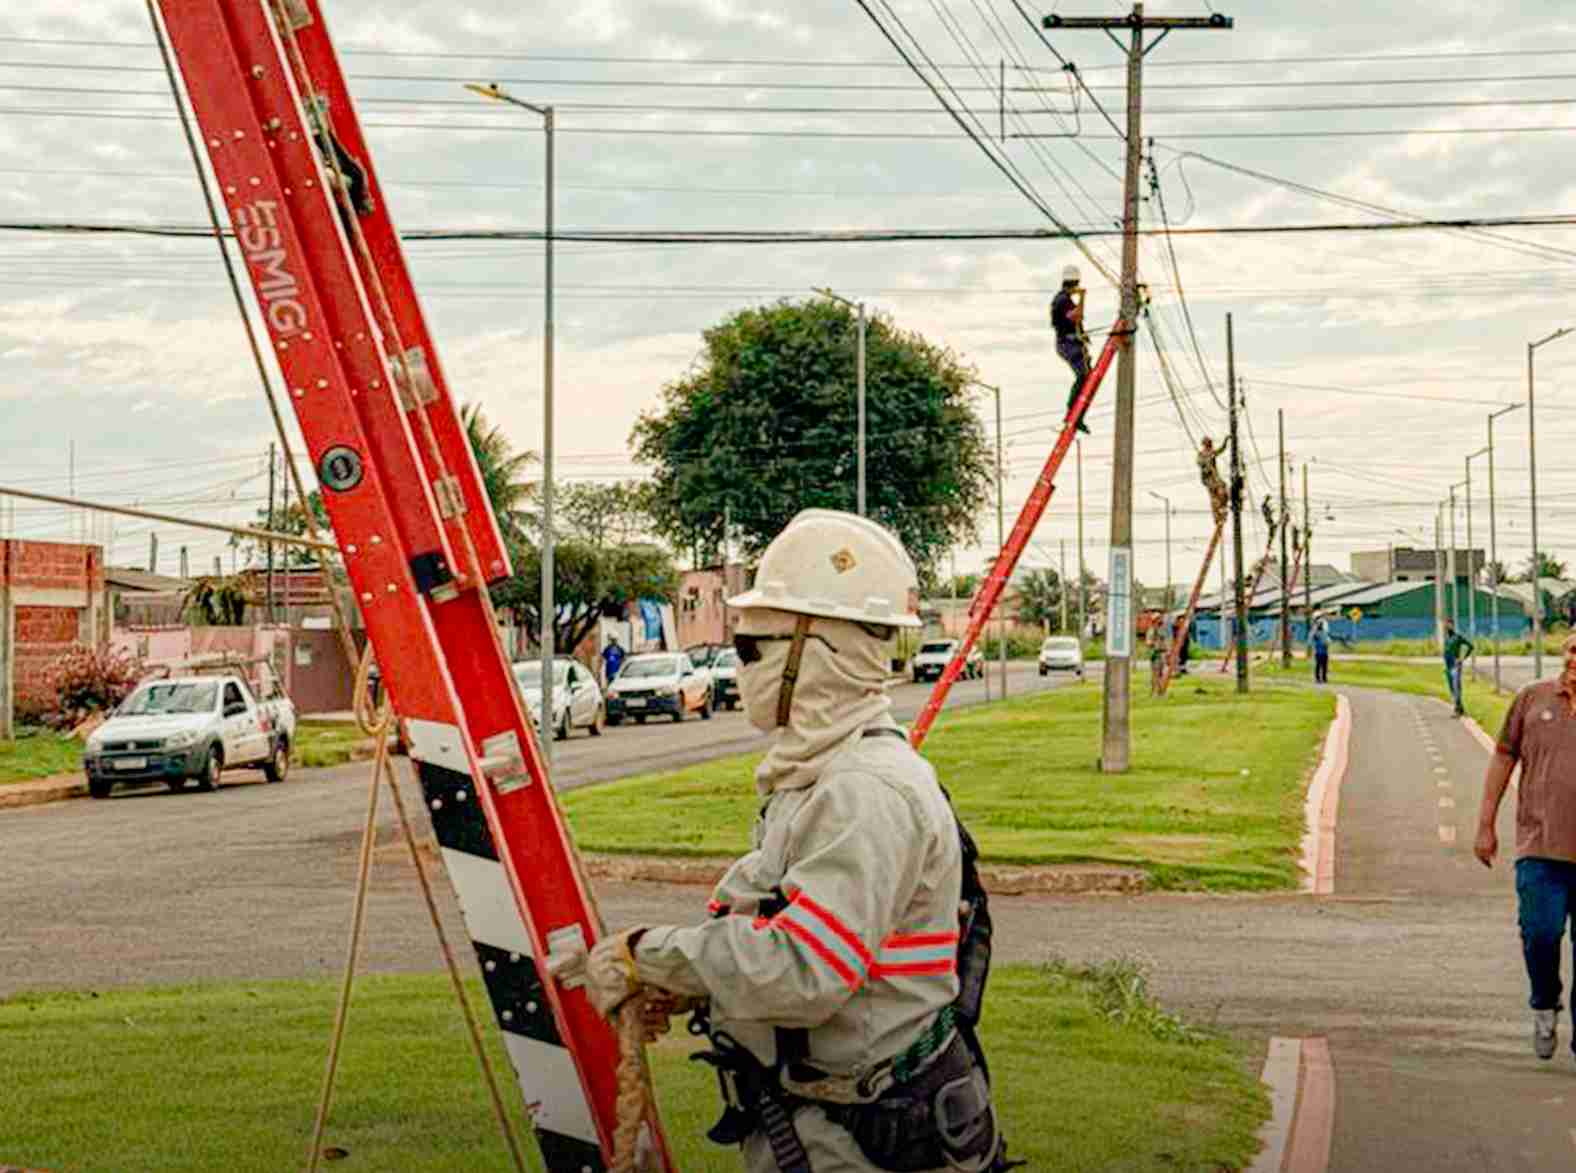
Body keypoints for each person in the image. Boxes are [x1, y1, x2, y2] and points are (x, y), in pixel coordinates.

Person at [580, 509, 1013, 1172]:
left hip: (861, 1142)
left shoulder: (866, 793)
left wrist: (649, 956)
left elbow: (800, 968)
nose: (739, 664)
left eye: (754, 647)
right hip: (826, 1125)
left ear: (819, 652)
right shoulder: (821, 779)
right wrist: (693, 984)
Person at [1474, 632, 1576, 1062]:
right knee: (1540, 933)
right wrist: (1485, 824)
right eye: (1572, 648)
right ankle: (1544, 1003)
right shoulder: (1533, 699)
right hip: (1540, 847)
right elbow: (1502, 756)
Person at [1050, 264, 1091, 434]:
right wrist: (1082, 298)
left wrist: (1082, 335)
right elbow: (1076, 316)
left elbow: (1074, 323)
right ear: (1075, 283)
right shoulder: (1062, 300)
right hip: (1067, 344)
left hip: (1070, 342)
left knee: (1088, 377)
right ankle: (1072, 414)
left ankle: (1078, 415)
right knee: (1084, 375)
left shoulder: (1064, 300)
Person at [1443, 619, 1474, 717]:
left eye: (1449, 625)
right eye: (1446, 625)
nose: (1447, 627)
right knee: (1452, 689)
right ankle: (1461, 709)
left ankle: (1457, 710)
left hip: (1455, 666)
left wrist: (1462, 658)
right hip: (1448, 667)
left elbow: (1470, 646)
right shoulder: (1447, 639)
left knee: (1456, 688)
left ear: (1453, 626)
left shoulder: (1458, 637)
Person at [1147, 618, 1166, 695]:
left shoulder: (1160, 631)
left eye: (1160, 622)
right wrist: (1155, 644)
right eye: (1159, 622)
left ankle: (1161, 691)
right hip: (1155, 654)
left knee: (1161, 674)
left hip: (1161, 654)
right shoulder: (1151, 631)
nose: (1160, 624)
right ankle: (1154, 692)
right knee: (1155, 674)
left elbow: (1164, 642)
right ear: (1154, 622)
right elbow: (1148, 643)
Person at [1311, 617, 1330, 684]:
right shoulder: (1315, 633)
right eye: (1319, 624)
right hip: (1318, 652)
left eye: (1321, 624)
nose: (1320, 625)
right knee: (1318, 666)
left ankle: (1324, 678)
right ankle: (1317, 678)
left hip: (1324, 652)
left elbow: (1328, 642)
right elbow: (1313, 639)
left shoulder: (1325, 633)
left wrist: (1326, 644)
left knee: (1324, 666)